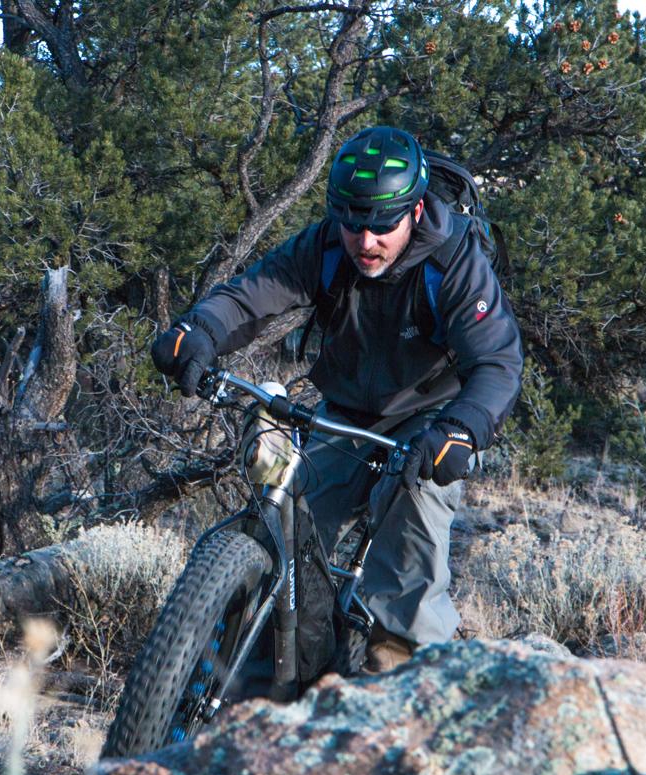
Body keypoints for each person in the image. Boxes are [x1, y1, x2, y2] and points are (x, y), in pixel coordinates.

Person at [150, 126, 524, 674]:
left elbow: (496, 362)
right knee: (288, 545)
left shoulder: (455, 261)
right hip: (344, 413)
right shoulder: (325, 245)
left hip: (430, 422)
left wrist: (463, 429)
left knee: (409, 557)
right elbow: (252, 295)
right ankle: (253, 690)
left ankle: (398, 699)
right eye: (352, 224)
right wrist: (199, 329)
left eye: (381, 226)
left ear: (415, 211)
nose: (365, 241)